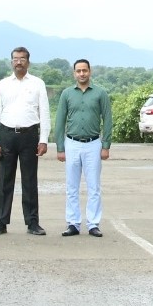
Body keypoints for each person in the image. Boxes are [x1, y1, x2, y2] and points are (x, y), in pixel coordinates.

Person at [0, 46, 50, 236]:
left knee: (30, 181)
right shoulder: (3, 84)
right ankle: (1, 222)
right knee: (5, 181)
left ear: (28, 62)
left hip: (29, 135)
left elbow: (45, 112)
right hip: (7, 134)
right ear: (11, 62)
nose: (18, 62)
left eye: (22, 59)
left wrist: (43, 140)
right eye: (15, 59)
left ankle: (32, 222)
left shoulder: (38, 83)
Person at [54, 59, 112, 237]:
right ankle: (73, 223)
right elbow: (60, 120)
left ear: (90, 71)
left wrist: (106, 145)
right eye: (78, 71)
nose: (81, 74)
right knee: (72, 186)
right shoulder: (67, 94)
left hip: (93, 144)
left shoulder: (100, 93)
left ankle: (93, 223)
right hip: (71, 143)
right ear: (74, 73)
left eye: (84, 70)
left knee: (93, 186)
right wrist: (60, 147)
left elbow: (108, 119)